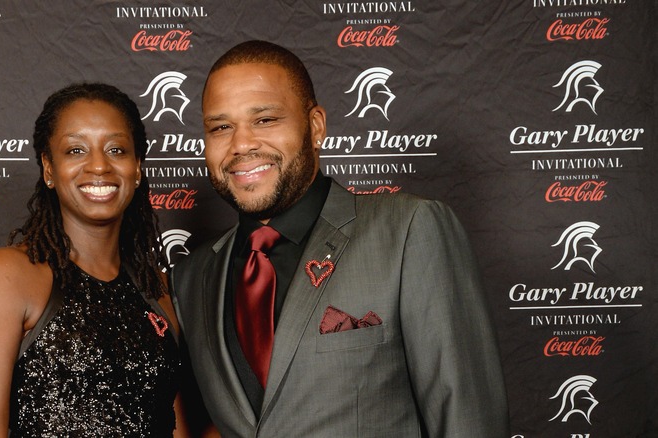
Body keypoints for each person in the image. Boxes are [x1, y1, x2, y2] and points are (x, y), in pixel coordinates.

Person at [171, 40, 510, 437]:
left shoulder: (409, 229)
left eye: (264, 120)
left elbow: (468, 421)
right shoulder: (191, 277)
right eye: (221, 127)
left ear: (315, 127)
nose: (241, 144)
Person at [0, 83, 187, 436]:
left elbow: (178, 426)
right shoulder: (6, 277)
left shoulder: (158, 291)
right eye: (76, 150)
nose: (99, 166)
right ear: (48, 168)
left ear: (137, 168)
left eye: (116, 149)